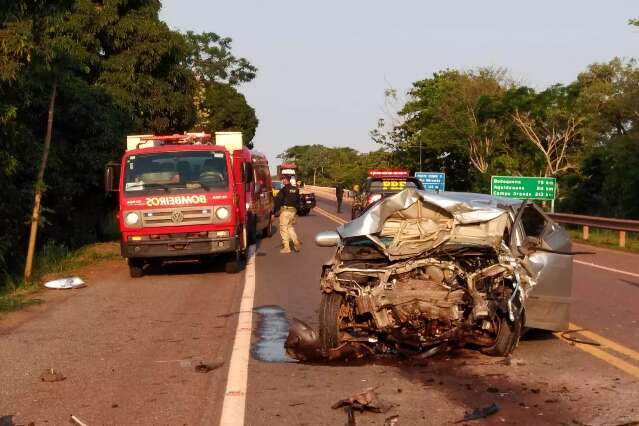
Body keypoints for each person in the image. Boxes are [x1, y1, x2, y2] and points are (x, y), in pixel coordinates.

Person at [274, 175, 302, 254]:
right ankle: (296, 242)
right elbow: (298, 201)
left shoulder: (284, 189)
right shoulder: (296, 189)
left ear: (286, 180)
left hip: (285, 211)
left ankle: (286, 248)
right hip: (293, 211)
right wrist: (297, 212)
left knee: (283, 228)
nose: (282, 181)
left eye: (283, 179)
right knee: (290, 227)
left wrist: (275, 211)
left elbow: (278, 201)